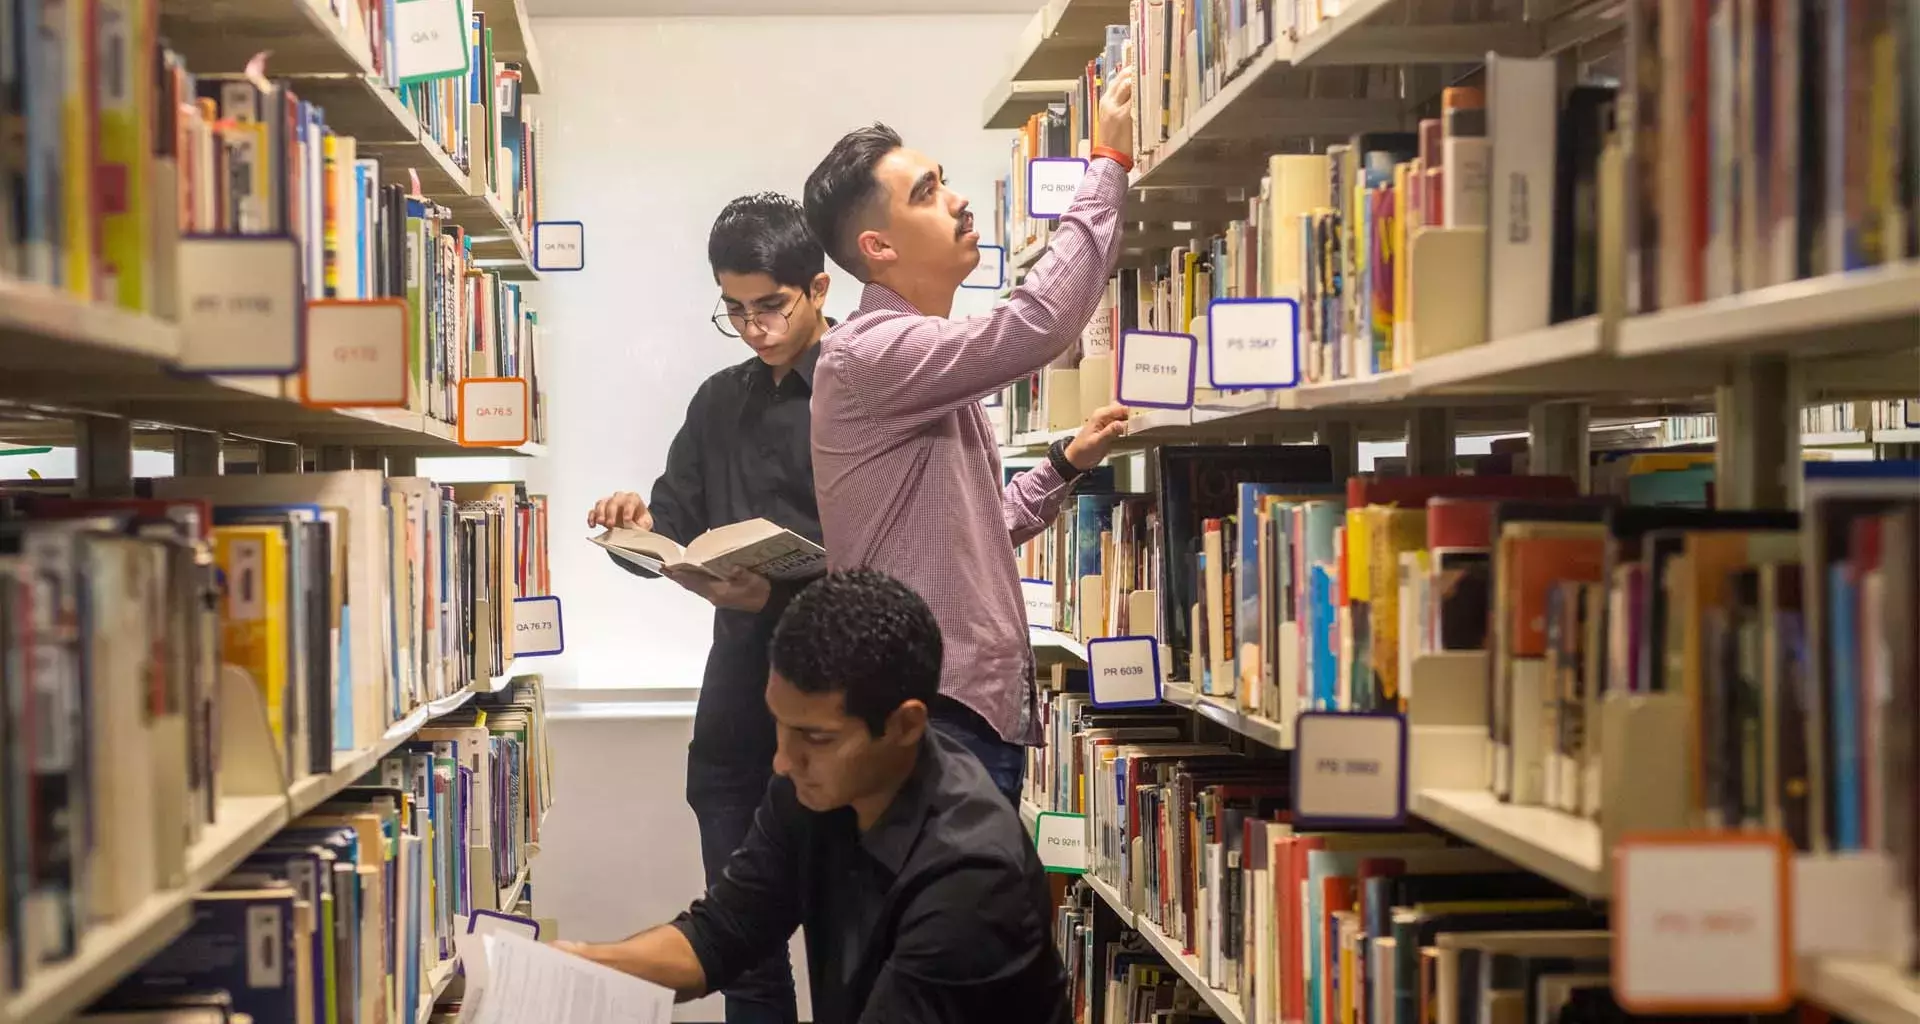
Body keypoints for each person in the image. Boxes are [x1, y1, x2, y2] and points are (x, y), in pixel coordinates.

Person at [798, 68, 1136, 801]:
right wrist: (1108, 165)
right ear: (878, 247)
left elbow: (969, 538)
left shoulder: (916, 367)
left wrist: (1060, 465)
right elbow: (1036, 325)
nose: (956, 200)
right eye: (925, 193)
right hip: (935, 716)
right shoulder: (868, 354)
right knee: (940, 916)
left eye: (943, 181)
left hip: (963, 712)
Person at [556, 569, 1070, 1024]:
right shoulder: (812, 789)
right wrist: (573, 967)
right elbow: (719, 936)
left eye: (816, 737)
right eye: (779, 724)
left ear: (906, 724)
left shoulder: (973, 877)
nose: (782, 760)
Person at [584, 192, 831, 1024]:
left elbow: (896, 558)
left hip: (842, 713)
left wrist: (782, 589)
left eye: (771, 306)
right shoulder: (716, 402)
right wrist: (635, 532)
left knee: (850, 951)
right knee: (744, 961)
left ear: (819, 288)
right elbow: (673, 530)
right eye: (735, 310)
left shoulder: (861, 392)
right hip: (736, 715)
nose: (755, 327)